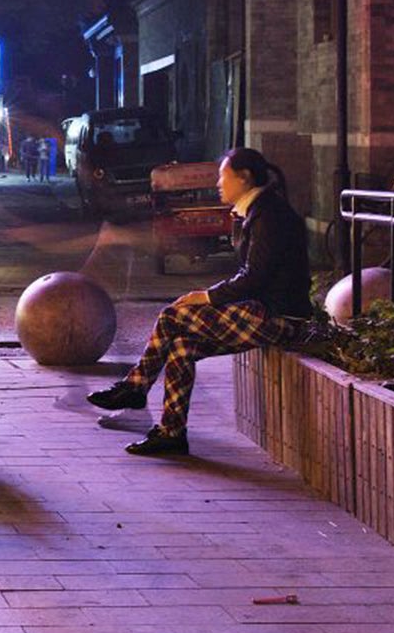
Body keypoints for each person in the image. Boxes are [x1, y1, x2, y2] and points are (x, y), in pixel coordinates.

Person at [88, 146, 311, 456]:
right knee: (181, 348)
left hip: (279, 318)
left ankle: (136, 387)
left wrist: (206, 297)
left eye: (224, 177)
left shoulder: (270, 216)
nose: (218, 184)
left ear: (244, 179)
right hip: (260, 311)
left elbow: (255, 277)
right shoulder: (256, 212)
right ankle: (171, 433)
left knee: (173, 316)